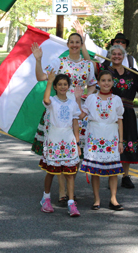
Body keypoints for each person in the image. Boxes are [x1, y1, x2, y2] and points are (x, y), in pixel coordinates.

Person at [31, 33, 97, 205]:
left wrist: (84, 101)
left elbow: (92, 85)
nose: (74, 45)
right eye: (72, 42)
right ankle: (62, 191)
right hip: (58, 111)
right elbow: (41, 77)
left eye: (78, 42)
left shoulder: (88, 65)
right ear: (67, 44)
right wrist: (38, 60)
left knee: (73, 152)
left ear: (82, 44)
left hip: (78, 112)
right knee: (59, 151)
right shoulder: (60, 62)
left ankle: (70, 189)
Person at [96, 44, 138, 189]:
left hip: (128, 112)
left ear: (123, 56)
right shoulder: (106, 73)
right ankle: (110, 175)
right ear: (110, 56)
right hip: (109, 112)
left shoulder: (132, 73)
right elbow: (90, 63)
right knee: (111, 142)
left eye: (119, 54)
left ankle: (125, 176)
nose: (116, 56)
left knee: (127, 141)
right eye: (114, 54)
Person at [79, 70, 125, 211]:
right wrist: (76, 99)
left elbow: (120, 120)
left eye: (109, 80)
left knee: (113, 170)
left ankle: (113, 198)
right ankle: (97, 199)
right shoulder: (91, 98)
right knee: (96, 170)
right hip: (95, 135)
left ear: (113, 82)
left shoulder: (117, 99)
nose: (106, 83)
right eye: (103, 80)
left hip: (111, 136)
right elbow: (80, 115)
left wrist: (121, 141)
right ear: (98, 83)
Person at [39, 71, 82, 217]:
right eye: (60, 84)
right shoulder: (52, 101)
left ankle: (71, 204)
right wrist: (49, 81)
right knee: (51, 171)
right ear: (56, 87)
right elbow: (45, 100)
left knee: (70, 173)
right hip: (54, 140)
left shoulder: (72, 103)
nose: (63, 87)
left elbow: (75, 123)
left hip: (69, 140)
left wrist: (77, 142)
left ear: (68, 86)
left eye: (65, 84)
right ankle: (46, 198)